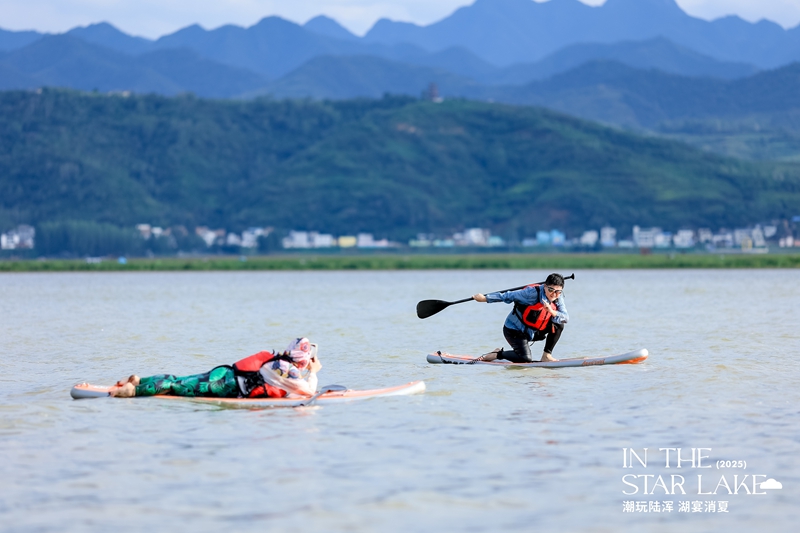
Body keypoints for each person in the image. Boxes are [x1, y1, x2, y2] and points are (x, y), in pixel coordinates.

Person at [110, 338, 322, 398]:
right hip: (227, 385)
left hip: (225, 373)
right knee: (176, 387)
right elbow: (308, 392)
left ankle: (140, 379)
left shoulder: (277, 360)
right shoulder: (289, 370)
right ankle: (132, 391)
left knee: (179, 380)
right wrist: (313, 372)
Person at [472, 273, 569, 363]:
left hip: (533, 331)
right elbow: (508, 295)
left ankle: (546, 356)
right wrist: (485, 298)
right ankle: (497, 354)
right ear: (544, 287)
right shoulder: (530, 293)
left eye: (558, 292)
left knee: (559, 324)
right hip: (514, 330)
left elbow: (565, 318)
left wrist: (551, 311)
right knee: (525, 359)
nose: (554, 294)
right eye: (551, 290)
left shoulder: (558, 298)